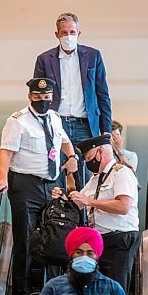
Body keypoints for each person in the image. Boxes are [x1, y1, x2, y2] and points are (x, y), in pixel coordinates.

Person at [0, 78, 78, 295]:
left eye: (46, 96)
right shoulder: (17, 121)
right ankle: (22, 292)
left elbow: (65, 142)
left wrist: (71, 157)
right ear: (30, 96)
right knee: (25, 239)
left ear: (52, 96)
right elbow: (5, 153)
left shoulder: (55, 119)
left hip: (51, 185)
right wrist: (2, 179)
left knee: (54, 236)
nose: (42, 100)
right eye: (37, 97)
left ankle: (53, 288)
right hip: (24, 185)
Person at [53, 134, 139, 294]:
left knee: (115, 291)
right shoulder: (95, 179)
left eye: (89, 157)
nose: (87, 162)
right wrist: (63, 196)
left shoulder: (122, 173)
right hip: (98, 241)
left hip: (119, 239)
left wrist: (90, 202)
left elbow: (123, 206)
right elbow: (79, 202)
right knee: (97, 291)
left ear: (100, 152)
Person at [33, 13, 112, 185]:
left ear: (79, 33)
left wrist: (106, 128)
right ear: (57, 35)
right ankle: (54, 212)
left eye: (72, 32)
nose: (68, 36)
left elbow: (102, 94)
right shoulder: (44, 59)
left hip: (85, 125)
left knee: (84, 178)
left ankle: (82, 212)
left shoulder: (93, 56)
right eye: (64, 33)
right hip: (56, 125)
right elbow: (38, 98)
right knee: (54, 174)